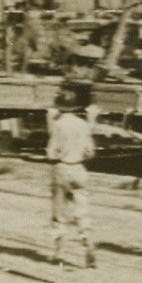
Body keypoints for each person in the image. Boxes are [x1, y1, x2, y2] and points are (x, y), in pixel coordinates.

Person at [47, 87, 96, 268]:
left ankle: (58, 253)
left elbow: (51, 153)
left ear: (59, 106)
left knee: (59, 213)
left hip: (62, 168)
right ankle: (88, 243)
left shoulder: (58, 125)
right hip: (79, 169)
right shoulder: (83, 125)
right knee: (81, 210)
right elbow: (90, 152)